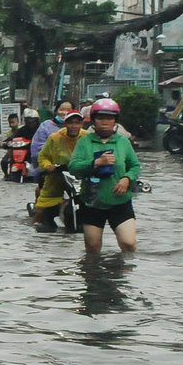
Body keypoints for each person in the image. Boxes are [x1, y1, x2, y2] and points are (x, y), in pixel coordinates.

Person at [68, 97, 141, 253]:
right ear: (93, 121)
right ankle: (94, 275)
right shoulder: (84, 142)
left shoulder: (123, 142)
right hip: (92, 202)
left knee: (129, 244)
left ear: (115, 121)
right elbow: (73, 167)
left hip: (120, 202)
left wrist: (127, 179)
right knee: (92, 248)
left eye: (110, 118)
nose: (105, 122)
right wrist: (95, 163)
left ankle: (125, 274)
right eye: (100, 118)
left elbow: (135, 166)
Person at [30, 107, 84, 231]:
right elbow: (43, 156)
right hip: (56, 177)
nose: (74, 126)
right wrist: (48, 166)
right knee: (42, 213)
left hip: (80, 178)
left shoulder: (87, 137)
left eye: (77, 123)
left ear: (82, 124)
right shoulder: (55, 138)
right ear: (65, 124)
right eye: (71, 122)